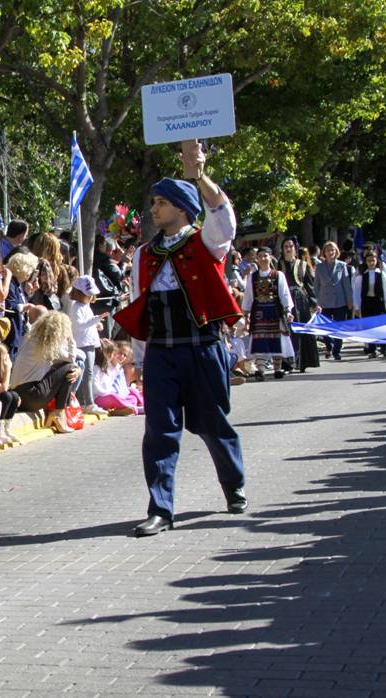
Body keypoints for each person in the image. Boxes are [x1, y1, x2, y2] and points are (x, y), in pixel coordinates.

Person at [112, 139, 247, 537]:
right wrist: (140, 360)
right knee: (159, 432)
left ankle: (234, 484)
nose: (153, 209)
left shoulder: (206, 241)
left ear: (183, 208)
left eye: (161, 203)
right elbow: (140, 306)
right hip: (162, 353)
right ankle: (161, 509)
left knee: (213, 424)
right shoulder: (144, 253)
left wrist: (200, 176)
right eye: (153, 202)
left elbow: (224, 217)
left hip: (202, 347)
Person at [241, 247, 295, 380]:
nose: (263, 259)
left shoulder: (278, 275)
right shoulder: (253, 277)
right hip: (259, 312)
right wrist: (246, 313)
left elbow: (284, 294)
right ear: (257, 259)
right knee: (260, 339)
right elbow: (248, 296)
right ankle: (260, 370)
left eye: (265, 256)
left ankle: (277, 369)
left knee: (276, 339)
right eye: (260, 256)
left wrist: (288, 310)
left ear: (270, 257)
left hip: (275, 311)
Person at [68, 274, 107, 416]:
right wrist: (96, 319)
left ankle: (86, 402)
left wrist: (96, 324)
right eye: (87, 294)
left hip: (88, 342)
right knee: (86, 374)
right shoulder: (76, 307)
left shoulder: (85, 307)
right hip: (82, 344)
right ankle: (87, 402)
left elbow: (86, 324)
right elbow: (79, 325)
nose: (91, 297)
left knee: (88, 373)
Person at [278, 237, 319, 372]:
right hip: (284, 299)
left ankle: (303, 363)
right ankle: (287, 363)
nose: (288, 249)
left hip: (300, 300)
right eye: (286, 247)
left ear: (295, 249)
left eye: (291, 246)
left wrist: (314, 303)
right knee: (287, 331)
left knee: (301, 330)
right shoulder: (279, 264)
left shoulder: (303, 264)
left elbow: (309, 285)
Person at [312, 240, 354, 361]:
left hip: (339, 300)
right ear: (324, 252)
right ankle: (329, 345)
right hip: (324, 301)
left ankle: (337, 350)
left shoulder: (342, 265)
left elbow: (346, 284)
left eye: (333, 250)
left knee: (338, 326)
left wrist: (349, 300)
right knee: (325, 326)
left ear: (336, 252)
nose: (330, 252)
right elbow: (316, 286)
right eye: (328, 250)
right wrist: (316, 302)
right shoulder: (319, 267)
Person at [353, 249, 386, 358]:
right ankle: (372, 349)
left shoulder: (381, 274)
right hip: (367, 303)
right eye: (369, 260)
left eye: (373, 260)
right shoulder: (361, 276)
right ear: (366, 262)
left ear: (377, 261)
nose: (371, 262)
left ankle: (385, 348)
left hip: (379, 303)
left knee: (382, 326)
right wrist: (357, 306)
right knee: (369, 326)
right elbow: (356, 292)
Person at [92, 338, 145, 416]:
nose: (122, 356)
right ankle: (135, 409)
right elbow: (95, 386)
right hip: (99, 397)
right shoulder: (97, 368)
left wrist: (116, 393)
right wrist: (107, 393)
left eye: (125, 355)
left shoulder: (117, 368)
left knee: (132, 398)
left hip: (110, 395)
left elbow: (114, 385)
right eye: (119, 353)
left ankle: (124, 409)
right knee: (113, 397)